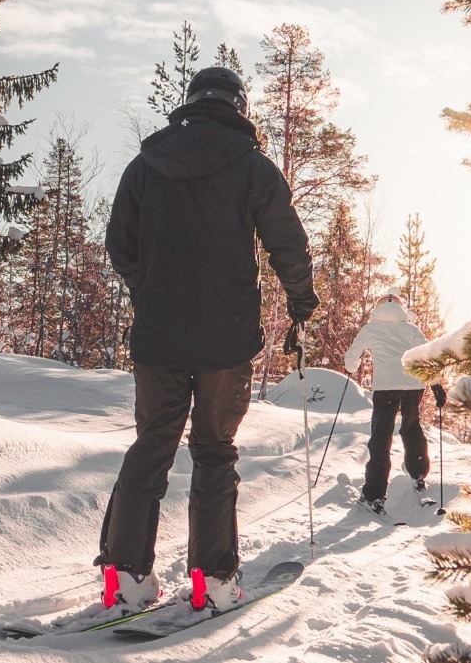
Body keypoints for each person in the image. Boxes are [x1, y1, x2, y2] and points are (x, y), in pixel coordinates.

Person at [100, 66, 318, 615]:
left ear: (190, 102)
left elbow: (119, 244)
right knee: (215, 453)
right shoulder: (252, 168)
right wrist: (300, 304)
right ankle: (213, 581)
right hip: (225, 343)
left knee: (151, 447)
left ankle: (124, 578)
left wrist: (147, 289)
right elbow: (287, 244)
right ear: (238, 106)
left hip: (158, 340)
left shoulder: (145, 166)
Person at [343, 289, 442, 513]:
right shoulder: (410, 329)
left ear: (377, 308)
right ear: (400, 308)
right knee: (411, 428)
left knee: (381, 437)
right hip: (413, 386)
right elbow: (429, 356)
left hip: (385, 387)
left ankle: (374, 494)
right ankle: (418, 474)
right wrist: (436, 384)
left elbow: (351, 357)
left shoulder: (370, 328)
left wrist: (351, 368)